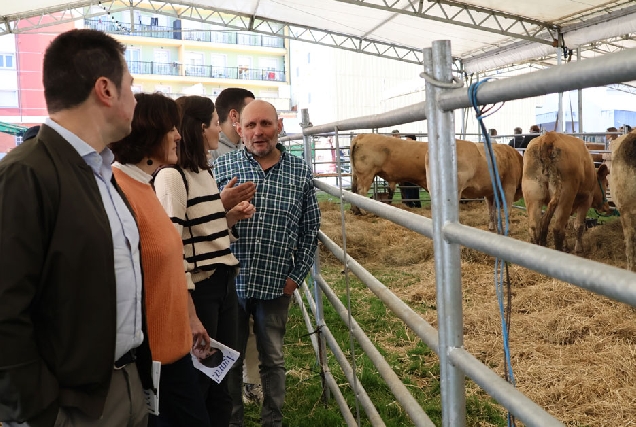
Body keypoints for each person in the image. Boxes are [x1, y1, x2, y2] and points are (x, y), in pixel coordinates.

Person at [0, 29, 152, 427]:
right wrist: (39, 411)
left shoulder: (101, 172)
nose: (135, 100)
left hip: (124, 382)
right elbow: (4, 310)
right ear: (105, 89)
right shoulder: (24, 174)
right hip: (70, 405)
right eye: (131, 87)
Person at [214, 100, 321, 427]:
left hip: (277, 283)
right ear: (239, 130)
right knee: (229, 359)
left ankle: (272, 421)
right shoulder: (223, 169)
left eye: (265, 124)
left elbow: (309, 229)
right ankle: (233, 421)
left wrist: (295, 277)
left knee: (272, 359)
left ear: (278, 126)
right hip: (232, 283)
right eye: (250, 126)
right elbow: (207, 226)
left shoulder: (299, 170)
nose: (258, 132)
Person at [109, 92, 211, 427]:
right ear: (150, 132)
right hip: (150, 361)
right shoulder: (119, 190)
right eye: (171, 127)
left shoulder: (145, 185)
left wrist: (190, 320)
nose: (179, 135)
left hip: (173, 350)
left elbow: (168, 264)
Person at [154, 95, 255, 427]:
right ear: (200, 128)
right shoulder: (172, 178)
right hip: (200, 288)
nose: (220, 128)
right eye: (214, 121)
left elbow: (202, 234)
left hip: (223, 283)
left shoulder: (203, 172)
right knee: (201, 378)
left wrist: (230, 219)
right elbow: (172, 245)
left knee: (222, 375)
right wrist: (190, 310)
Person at [210, 86, 261, 405]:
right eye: (249, 116)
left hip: (247, 258)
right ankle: (227, 391)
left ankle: (251, 383)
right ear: (234, 117)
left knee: (249, 325)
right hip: (218, 259)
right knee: (226, 329)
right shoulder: (213, 153)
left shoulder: (244, 148)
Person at [209, 87, 255, 162]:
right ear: (234, 115)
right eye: (251, 111)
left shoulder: (247, 147)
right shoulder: (211, 150)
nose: (257, 116)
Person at [399, 134, 422, 208]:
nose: (406, 142)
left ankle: (415, 203)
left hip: (415, 172)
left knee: (413, 188)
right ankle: (410, 203)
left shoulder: (417, 149)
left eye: (408, 140)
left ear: (413, 140)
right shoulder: (405, 150)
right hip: (406, 172)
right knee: (407, 187)